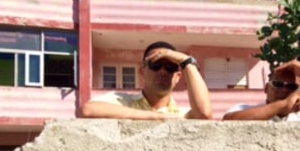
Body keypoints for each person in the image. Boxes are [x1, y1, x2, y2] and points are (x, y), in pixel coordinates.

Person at [78, 41, 212, 120]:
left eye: (170, 67)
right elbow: (87, 110)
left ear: (178, 77)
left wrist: (187, 61)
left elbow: (204, 114)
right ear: (142, 71)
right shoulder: (122, 102)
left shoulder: (182, 114)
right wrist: (154, 117)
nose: (163, 71)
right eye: (155, 65)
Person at [223, 59, 300, 121]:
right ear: (266, 88)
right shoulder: (247, 111)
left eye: (291, 87)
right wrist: (283, 105)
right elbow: (228, 122)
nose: (284, 90)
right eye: (278, 84)